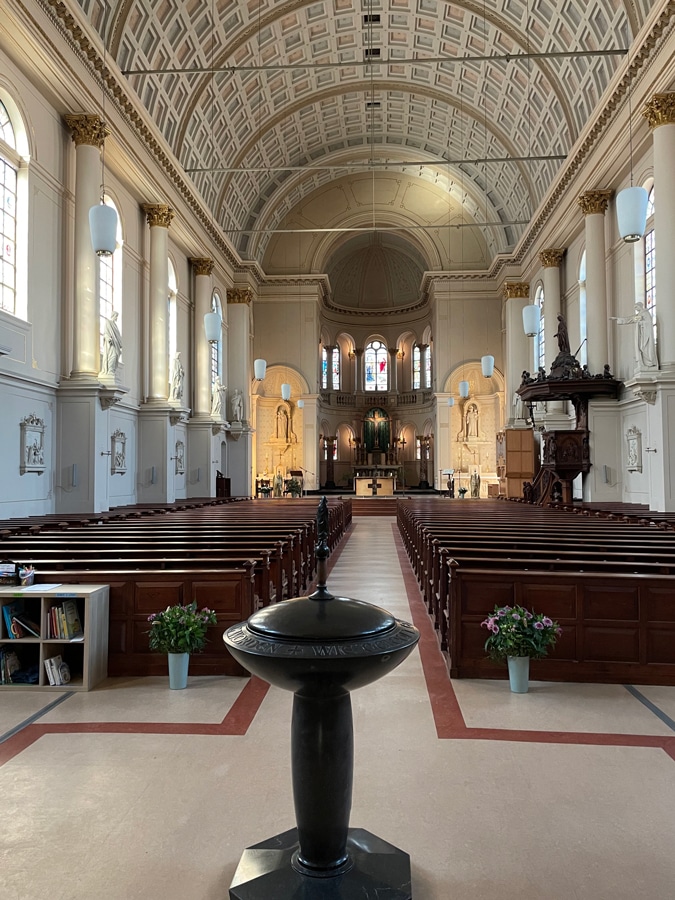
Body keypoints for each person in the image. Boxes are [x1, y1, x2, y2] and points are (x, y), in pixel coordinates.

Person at [611, 302, 658, 369]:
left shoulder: (645, 313)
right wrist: (617, 319)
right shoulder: (639, 314)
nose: (635, 309)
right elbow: (631, 319)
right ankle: (645, 363)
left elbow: (648, 322)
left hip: (645, 334)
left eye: (636, 307)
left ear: (640, 306)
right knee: (640, 347)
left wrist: (641, 323)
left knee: (644, 347)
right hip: (640, 334)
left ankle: (650, 363)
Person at [101, 311, 122, 375]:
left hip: (116, 344)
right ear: (113, 315)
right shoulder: (108, 322)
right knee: (112, 355)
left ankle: (112, 370)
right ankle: (110, 370)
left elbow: (118, 336)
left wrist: (120, 343)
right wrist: (108, 338)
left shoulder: (115, 325)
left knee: (115, 356)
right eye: (116, 316)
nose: (116, 318)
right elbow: (106, 333)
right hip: (111, 343)